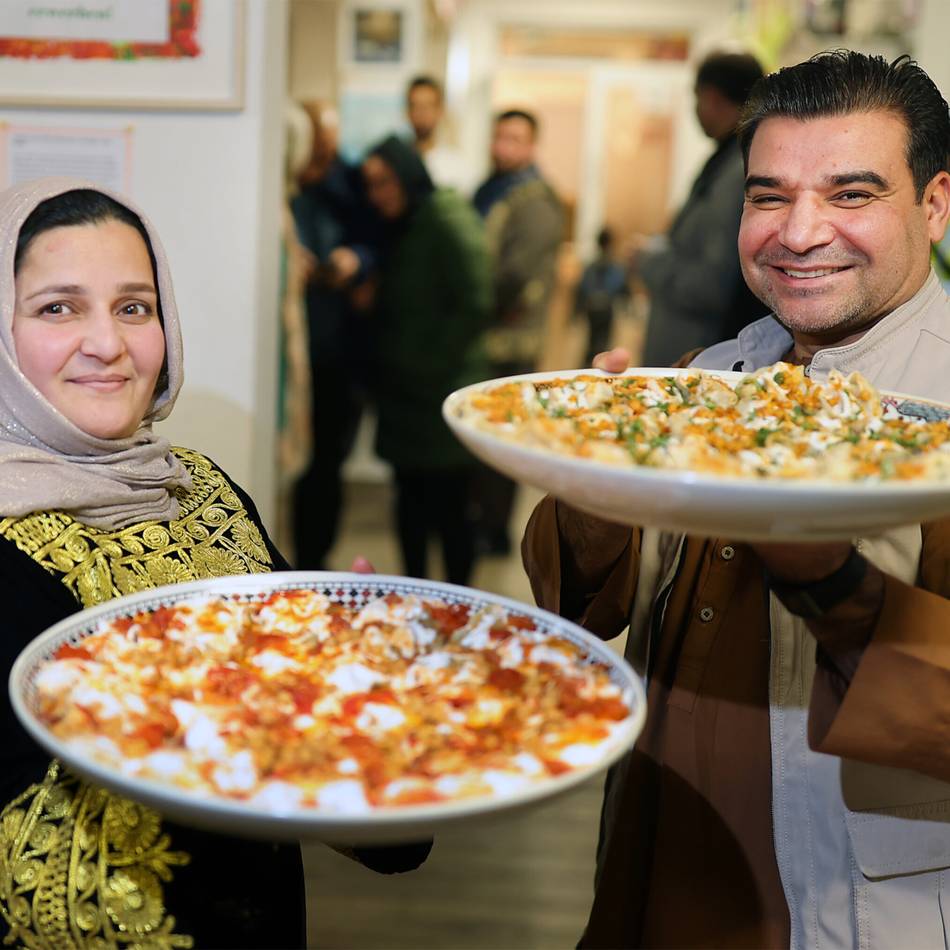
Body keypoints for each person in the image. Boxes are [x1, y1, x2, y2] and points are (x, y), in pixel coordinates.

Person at [522, 51, 950, 948]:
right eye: (767, 196)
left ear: (935, 205)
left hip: (848, 910)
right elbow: (580, 606)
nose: (799, 232)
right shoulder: (710, 377)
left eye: (851, 194)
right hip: (652, 873)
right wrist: (594, 469)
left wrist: (828, 577)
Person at [0, 179, 427, 949]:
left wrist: (360, 690)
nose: (107, 343)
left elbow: (374, 820)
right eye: (58, 307)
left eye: (135, 307)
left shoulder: (203, 493)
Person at [362, 136, 491, 585]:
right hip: (408, 396)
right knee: (411, 507)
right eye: (370, 185)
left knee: (451, 510)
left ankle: (459, 603)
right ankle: (416, 596)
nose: (377, 194)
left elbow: (476, 302)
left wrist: (428, 363)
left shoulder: (445, 217)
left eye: (384, 181)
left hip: (443, 390)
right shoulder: (407, 221)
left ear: (407, 174)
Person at [635, 50, 768, 366]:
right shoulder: (731, 159)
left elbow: (711, 284)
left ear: (711, 98)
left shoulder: (739, 172)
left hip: (704, 349)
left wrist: (648, 262)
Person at [290, 101, 378, 570]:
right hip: (293, 349)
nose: (323, 160)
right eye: (317, 150)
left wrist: (355, 259)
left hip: (338, 348)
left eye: (329, 149)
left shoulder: (349, 182)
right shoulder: (281, 185)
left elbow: (377, 236)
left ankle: (315, 559)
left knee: (327, 463)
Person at [472, 109, 564, 554]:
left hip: (511, 338)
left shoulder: (536, 200)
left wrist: (470, 302)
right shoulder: (493, 189)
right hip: (486, 335)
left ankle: (494, 532)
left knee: (502, 435)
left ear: (531, 145)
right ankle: (482, 521)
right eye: (499, 136)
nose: (503, 146)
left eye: (514, 138)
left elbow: (513, 275)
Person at [405, 74, 476, 194]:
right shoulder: (397, 162)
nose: (421, 113)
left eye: (427, 106)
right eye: (415, 106)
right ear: (407, 111)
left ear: (440, 110)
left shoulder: (458, 165)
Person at [574, 226, 630, 366]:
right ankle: (600, 364)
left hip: (592, 307)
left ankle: (589, 364)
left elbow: (582, 287)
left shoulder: (591, 265)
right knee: (603, 340)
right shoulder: (615, 266)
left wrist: (577, 309)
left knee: (592, 339)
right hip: (606, 308)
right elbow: (621, 287)